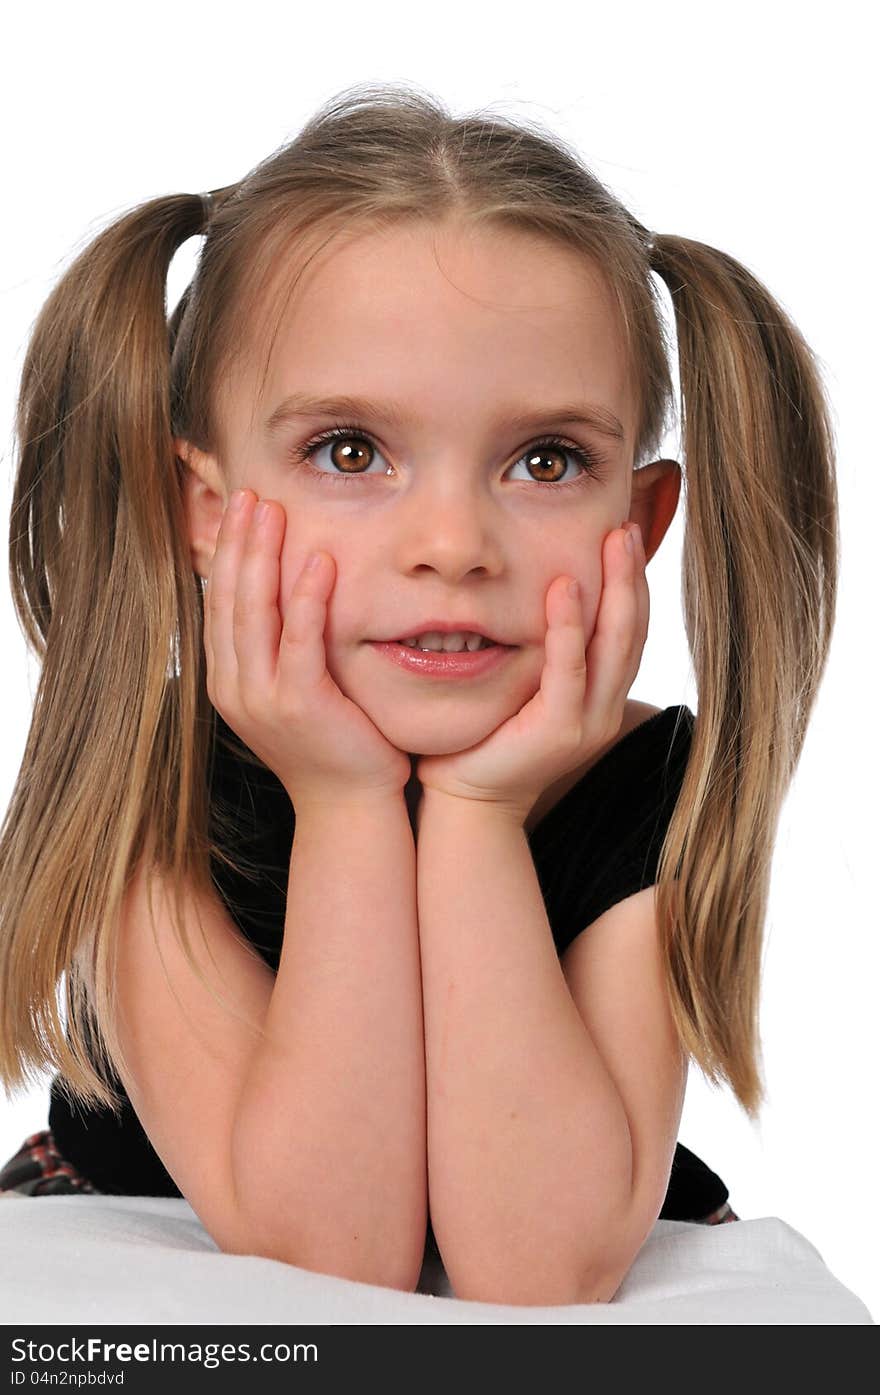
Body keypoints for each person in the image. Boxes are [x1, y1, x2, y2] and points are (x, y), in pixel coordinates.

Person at [0, 83, 837, 1305]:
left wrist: (481, 810)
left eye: (545, 460)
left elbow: (537, 1266)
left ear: (641, 522)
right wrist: (342, 804)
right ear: (205, 512)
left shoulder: (645, 775)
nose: (453, 543)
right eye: (351, 452)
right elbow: (330, 1262)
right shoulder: (153, 781)